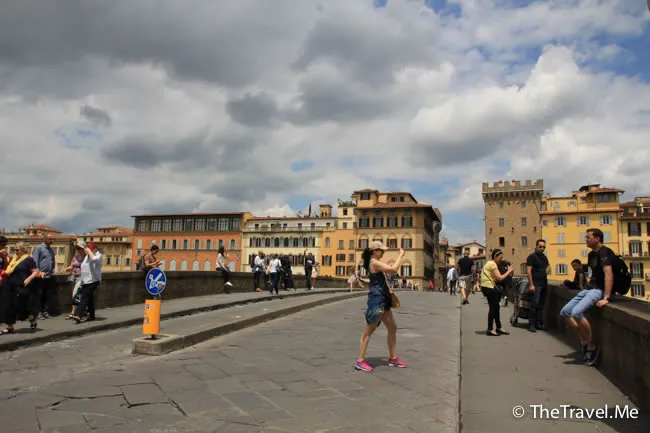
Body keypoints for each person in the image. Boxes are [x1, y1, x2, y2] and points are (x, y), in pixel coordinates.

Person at [560, 228, 614, 366]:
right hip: (590, 289)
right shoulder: (591, 255)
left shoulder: (605, 252)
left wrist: (606, 297)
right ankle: (584, 341)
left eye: (588, 237)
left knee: (577, 312)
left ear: (597, 239)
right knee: (565, 312)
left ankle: (591, 346)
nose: (585, 239)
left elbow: (608, 274)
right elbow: (592, 274)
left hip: (599, 290)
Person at [355, 241, 407, 372]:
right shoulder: (374, 262)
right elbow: (393, 269)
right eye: (381, 250)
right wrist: (401, 255)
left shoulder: (374, 262)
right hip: (377, 300)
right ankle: (360, 360)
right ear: (374, 251)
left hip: (383, 299)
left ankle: (393, 358)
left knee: (392, 328)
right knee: (369, 330)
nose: (383, 252)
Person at [1, 242, 42, 333]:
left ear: (23, 250)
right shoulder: (14, 259)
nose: (15, 251)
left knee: (20, 306)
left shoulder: (28, 259)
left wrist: (28, 278)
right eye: (14, 249)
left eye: (17, 250)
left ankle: (32, 319)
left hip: (21, 286)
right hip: (10, 284)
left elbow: (35, 272)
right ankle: (10, 327)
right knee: (9, 306)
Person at [480, 249, 514, 336]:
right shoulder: (492, 264)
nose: (501, 260)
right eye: (500, 258)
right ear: (495, 256)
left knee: (496, 307)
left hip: (487, 286)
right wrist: (509, 271)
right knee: (493, 308)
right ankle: (490, 329)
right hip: (489, 287)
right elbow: (500, 277)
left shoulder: (489, 263)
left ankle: (498, 327)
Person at [70, 242, 102, 324]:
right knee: (89, 298)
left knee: (84, 298)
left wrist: (89, 252)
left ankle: (78, 315)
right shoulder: (87, 257)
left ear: (95, 249)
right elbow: (83, 266)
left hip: (93, 280)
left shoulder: (98, 255)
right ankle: (91, 315)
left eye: (91, 249)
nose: (88, 251)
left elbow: (94, 259)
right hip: (85, 281)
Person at [526, 239, 550, 332]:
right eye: (540, 247)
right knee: (534, 304)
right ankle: (531, 324)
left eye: (544, 247)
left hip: (544, 283)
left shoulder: (544, 257)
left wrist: (544, 273)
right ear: (536, 247)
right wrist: (531, 284)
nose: (542, 248)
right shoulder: (531, 257)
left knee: (541, 305)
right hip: (536, 283)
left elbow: (548, 266)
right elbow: (528, 271)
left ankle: (538, 323)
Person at [32, 234, 56, 319]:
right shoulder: (39, 248)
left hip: (48, 275)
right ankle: (37, 312)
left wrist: (52, 269)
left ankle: (44, 311)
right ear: (45, 239)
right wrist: (37, 273)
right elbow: (35, 261)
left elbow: (53, 261)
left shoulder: (52, 250)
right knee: (39, 294)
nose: (52, 240)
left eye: (53, 239)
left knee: (47, 294)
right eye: (50, 239)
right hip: (40, 276)